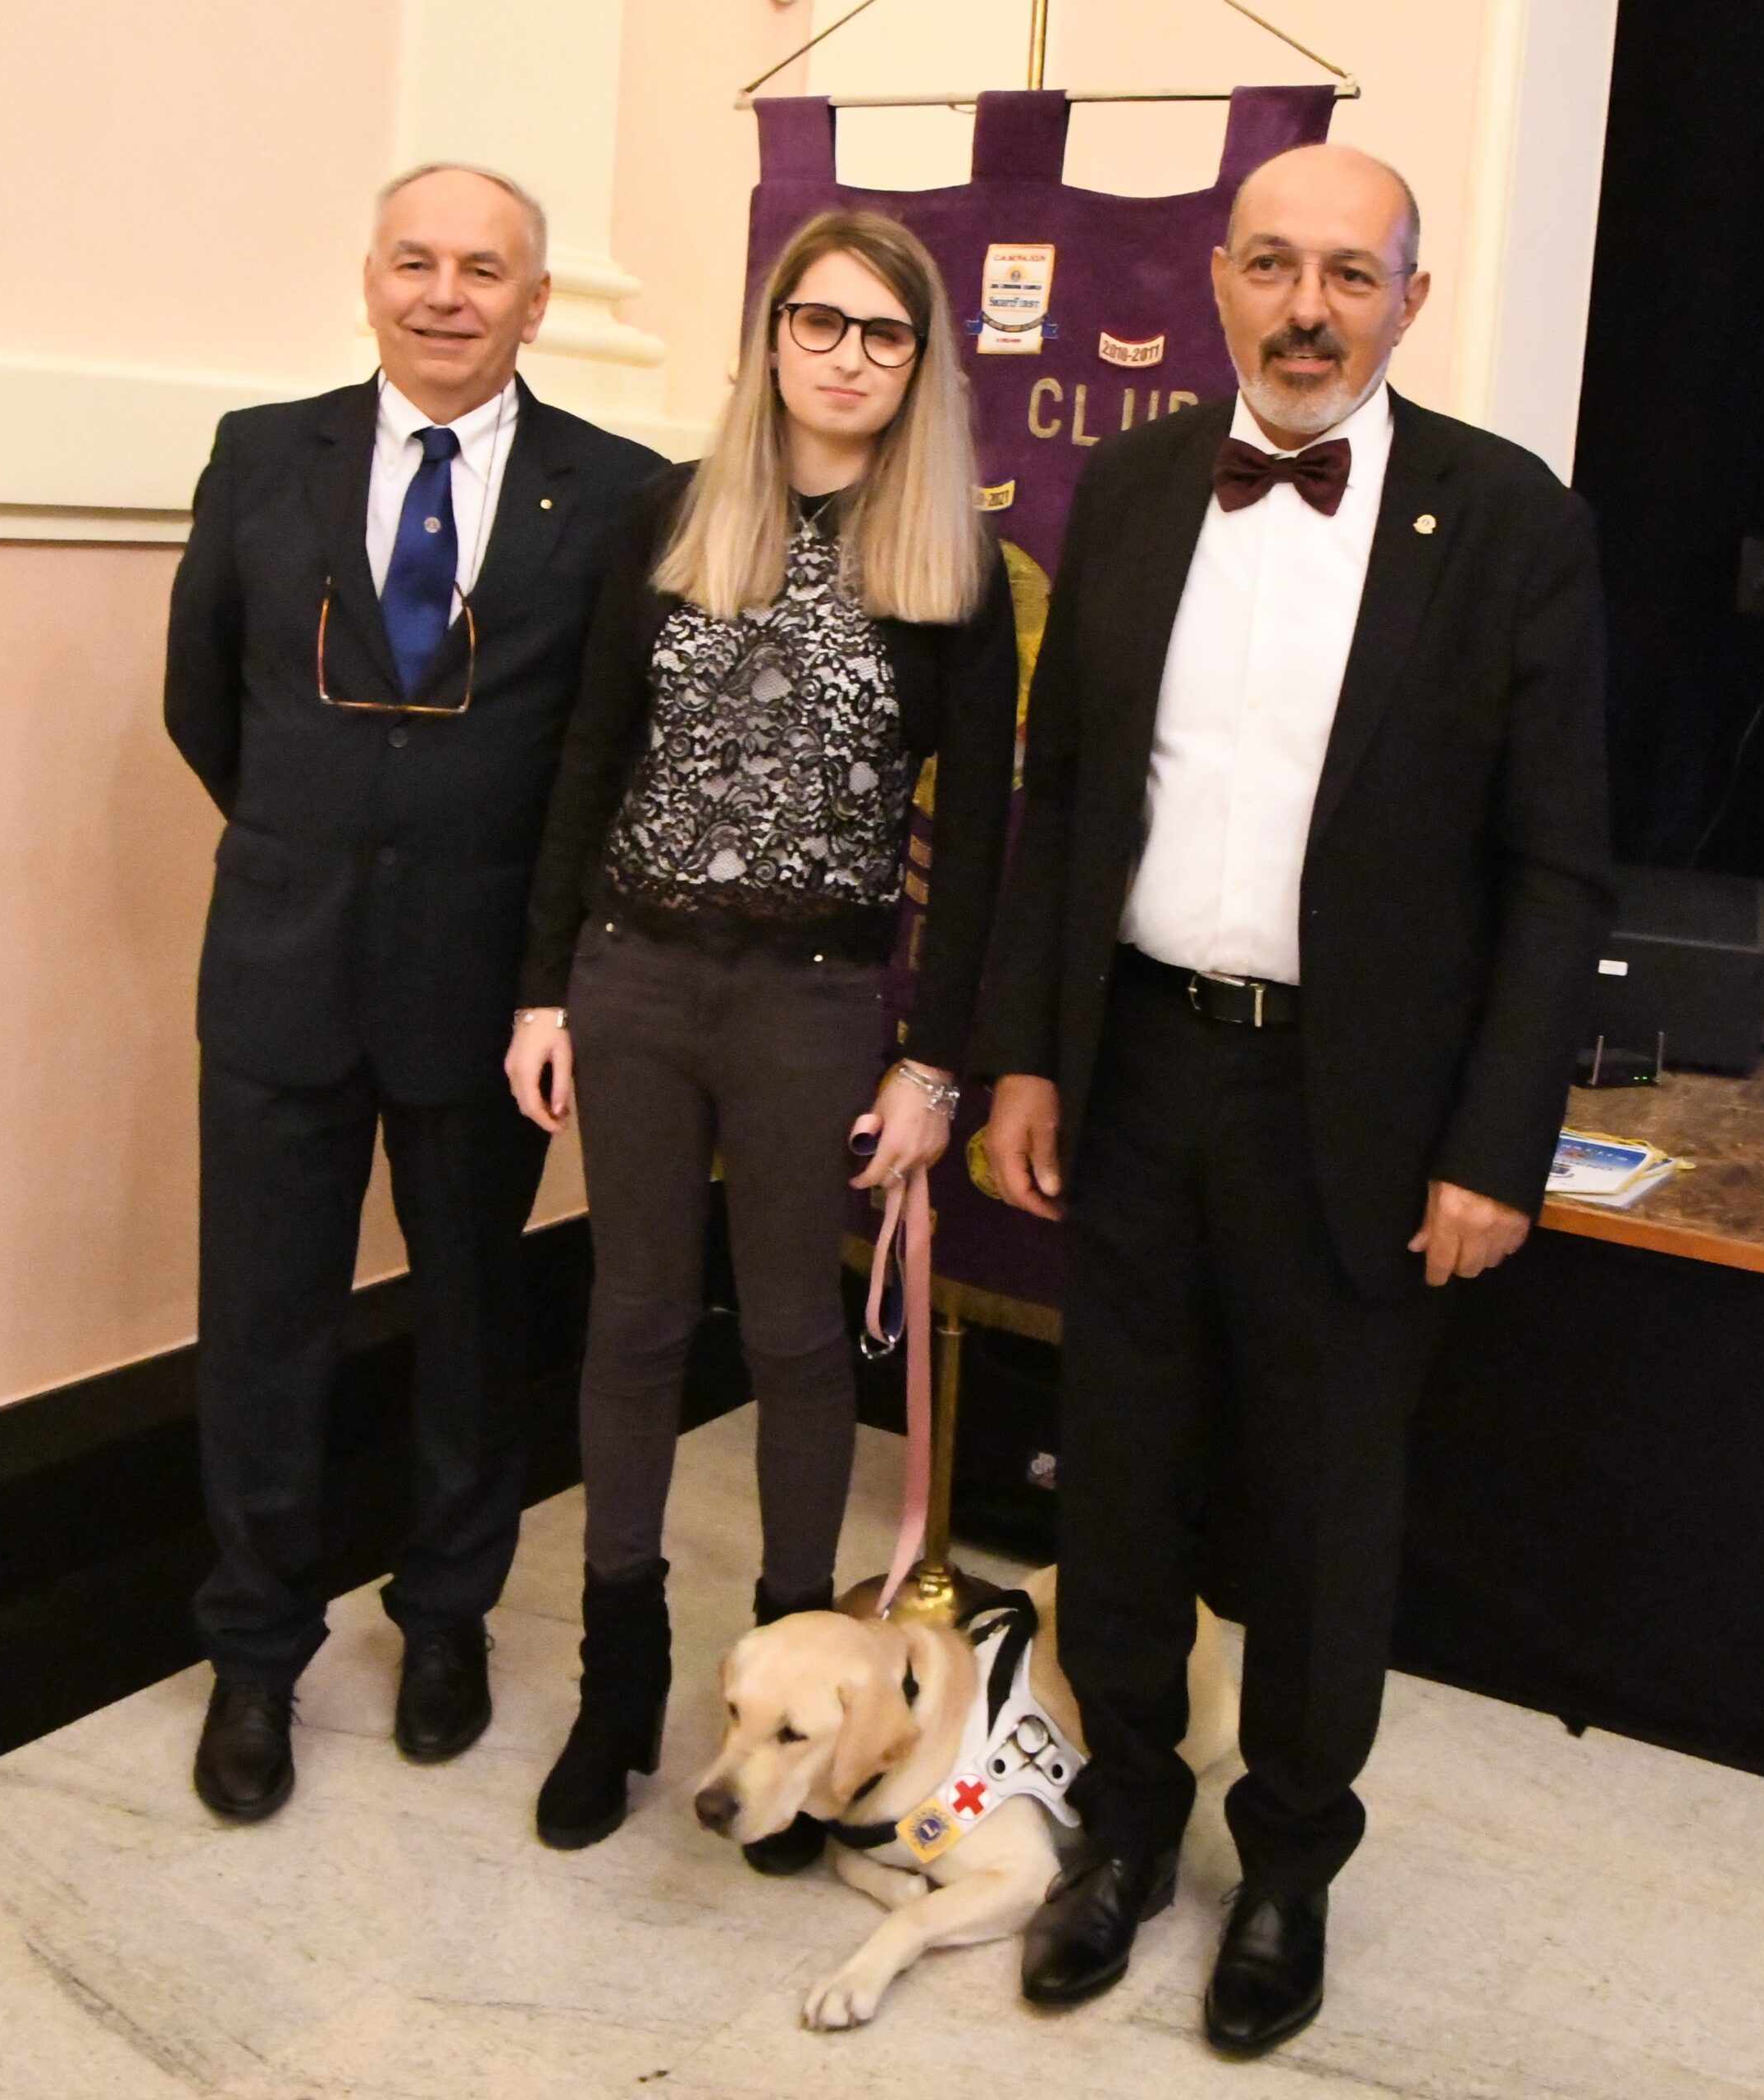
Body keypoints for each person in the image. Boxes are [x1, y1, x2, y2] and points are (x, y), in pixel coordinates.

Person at [977, 144, 1613, 2054]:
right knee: (1122, 1470)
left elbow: (1555, 871)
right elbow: (1062, 795)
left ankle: (1287, 1863)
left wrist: (1493, 1144)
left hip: (1359, 1100)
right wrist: (1026, 1047)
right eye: (1272, 264)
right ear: (1217, 279)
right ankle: (1126, 1822)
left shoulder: (1508, 520)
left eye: (1349, 271)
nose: (1306, 307)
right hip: (1135, 1059)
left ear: (1409, 297)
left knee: (1329, 1505)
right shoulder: (1133, 485)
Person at [506, 208, 1018, 1865]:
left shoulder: (952, 566)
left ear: (920, 363)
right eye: (820, 322)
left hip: (812, 1001)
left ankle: (805, 1693)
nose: (847, 357)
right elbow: (587, 760)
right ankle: (619, 1691)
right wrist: (540, 987)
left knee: (796, 1333)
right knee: (636, 1315)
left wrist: (933, 1064)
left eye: (885, 333)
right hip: (635, 980)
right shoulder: (670, 516)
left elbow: (984, 842)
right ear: (773, 334)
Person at [166, 163, 663, 1822]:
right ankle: (255, 1650)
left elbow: (607, 745)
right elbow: (203, 699)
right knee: (263, 1327)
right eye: (416, 262)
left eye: (484, 270)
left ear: (537, 301)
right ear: (370, 278)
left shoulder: (619, 490)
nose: (446, 295)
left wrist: (536, 951)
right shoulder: (261, 453)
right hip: (281, 969)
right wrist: (319, 840)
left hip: (488, 985)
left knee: (471, 1319)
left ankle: (446, 1615)